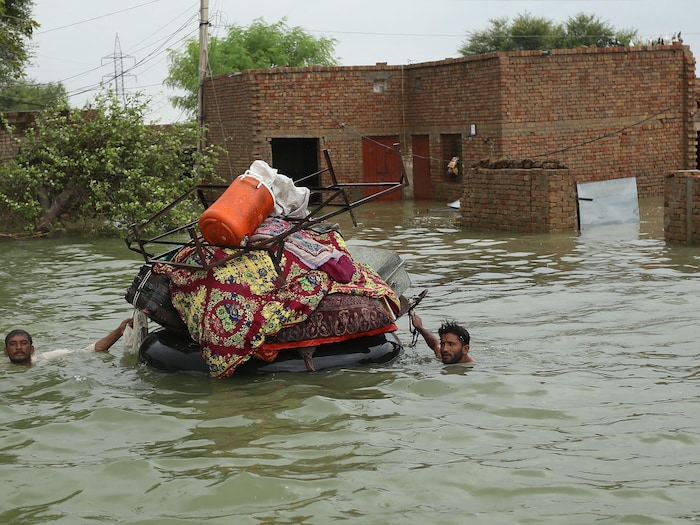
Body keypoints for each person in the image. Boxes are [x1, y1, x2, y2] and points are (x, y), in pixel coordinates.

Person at [4, 318, 133, 365]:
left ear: (32, 349)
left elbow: (92, 350)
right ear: (5, 351)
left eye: (23, 343)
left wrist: (120, 330)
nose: (19, 347)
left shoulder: (47, 359)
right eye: (13, 344)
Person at [409, 311, 474, 364]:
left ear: (465, 349)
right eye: (442, 344)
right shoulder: (446, 356)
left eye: (451, 344)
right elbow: (435, 345)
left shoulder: (476, 369)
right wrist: (419, 327)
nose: (444, 349)